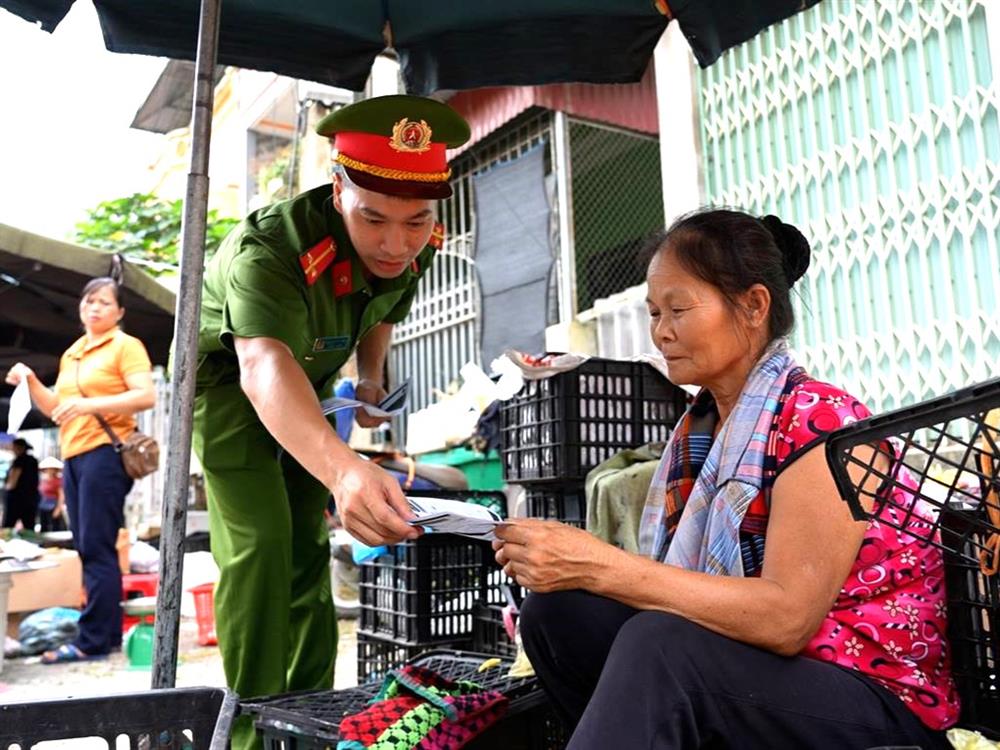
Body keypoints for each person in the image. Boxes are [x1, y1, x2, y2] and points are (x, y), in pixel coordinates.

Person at [494, 209, 959, 750]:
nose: (661, 331)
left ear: (754, 305)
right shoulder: (703, 431)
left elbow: (787, 619)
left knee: (662, 646)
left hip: (872, 699)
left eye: (679, 310)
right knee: (558, 613)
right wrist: (583, 574)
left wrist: (603, 566)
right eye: (653, 313)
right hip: (762, 679)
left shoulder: (823, 420)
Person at [192, 94, 469, 750]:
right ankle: (250, 727)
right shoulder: (270, 248)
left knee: (308, 547)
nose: (395, 242)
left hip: (312, 384)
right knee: (261, 544)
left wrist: (369, 379)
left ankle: (312, 711)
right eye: (374, 219)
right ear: (337, 185)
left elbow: (383, 308)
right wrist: (345, 468)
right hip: (230, 384)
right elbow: (262, 365)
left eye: (415, 221)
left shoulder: (417, 242)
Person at [5, 277, 156, 663]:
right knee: (89, 546)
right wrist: (32, 381)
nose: (95, 307)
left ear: (120, 312)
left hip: (105, 452)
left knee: (97, 547)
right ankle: (102, 636)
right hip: (74, 454)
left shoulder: (125, 346)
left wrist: (90, 407)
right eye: (89, 301)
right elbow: (57, 407)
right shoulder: (73, 353)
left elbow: (146, 396)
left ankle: (93, 641)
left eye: (105, 302)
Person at [2, 437, 40, 530]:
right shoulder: (33, 460)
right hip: (31, 498)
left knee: (8, 527)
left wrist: (6, 488)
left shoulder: (19, 461)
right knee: (29, 527)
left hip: (16, 499)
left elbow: (12, 482)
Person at [37, 456, 67, 533]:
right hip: (43, 505)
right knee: (44, 525)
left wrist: (58, 508)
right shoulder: (43, 480)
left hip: (53, 505)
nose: (49, 470)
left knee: (55, 527)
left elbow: (61, 495)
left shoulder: (59, 481)